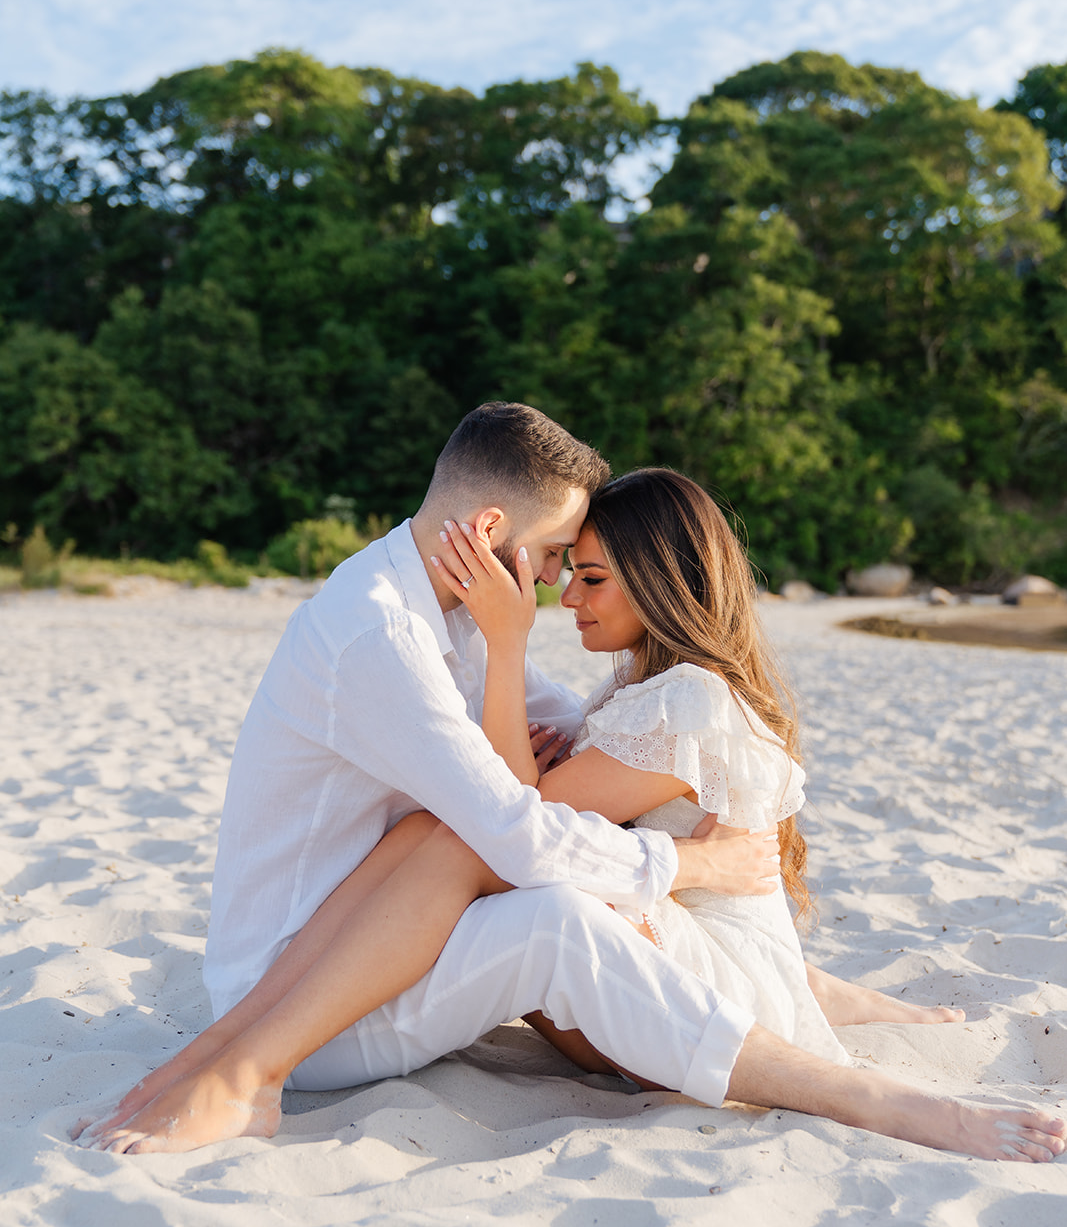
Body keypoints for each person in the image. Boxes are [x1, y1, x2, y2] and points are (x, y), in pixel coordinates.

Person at [75, 430, 1066, 1164]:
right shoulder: (383, 636)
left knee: (477, 846)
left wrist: (517, 684)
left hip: (354, 954)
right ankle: (238, 1068)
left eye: (576, 573)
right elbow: (519, 829)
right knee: (501, 864)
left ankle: (229, 1063)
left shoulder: (446, 619)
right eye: (556, 558)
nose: (551, 590)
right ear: (490, 531)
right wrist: (686, 860)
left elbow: (548, 743)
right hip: (315, 989)